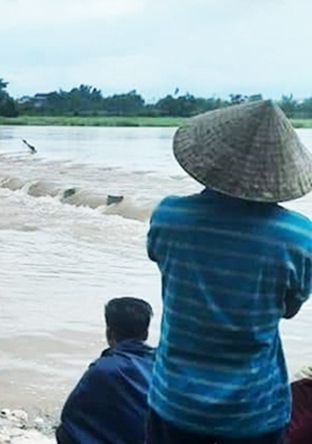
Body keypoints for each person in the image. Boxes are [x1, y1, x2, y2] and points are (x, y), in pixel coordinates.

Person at [146, 100, 312, 443]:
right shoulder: (299, 237)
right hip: (255, 411)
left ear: (210, 159)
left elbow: (163, 263)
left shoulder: (169, 216)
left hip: (175, 401)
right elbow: (288, 309)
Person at [56, 297, 156, 444]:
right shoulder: (162, 363)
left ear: (109, 332)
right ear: (146, 333)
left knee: (64, 431)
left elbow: (70, 414)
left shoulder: (103, 369)